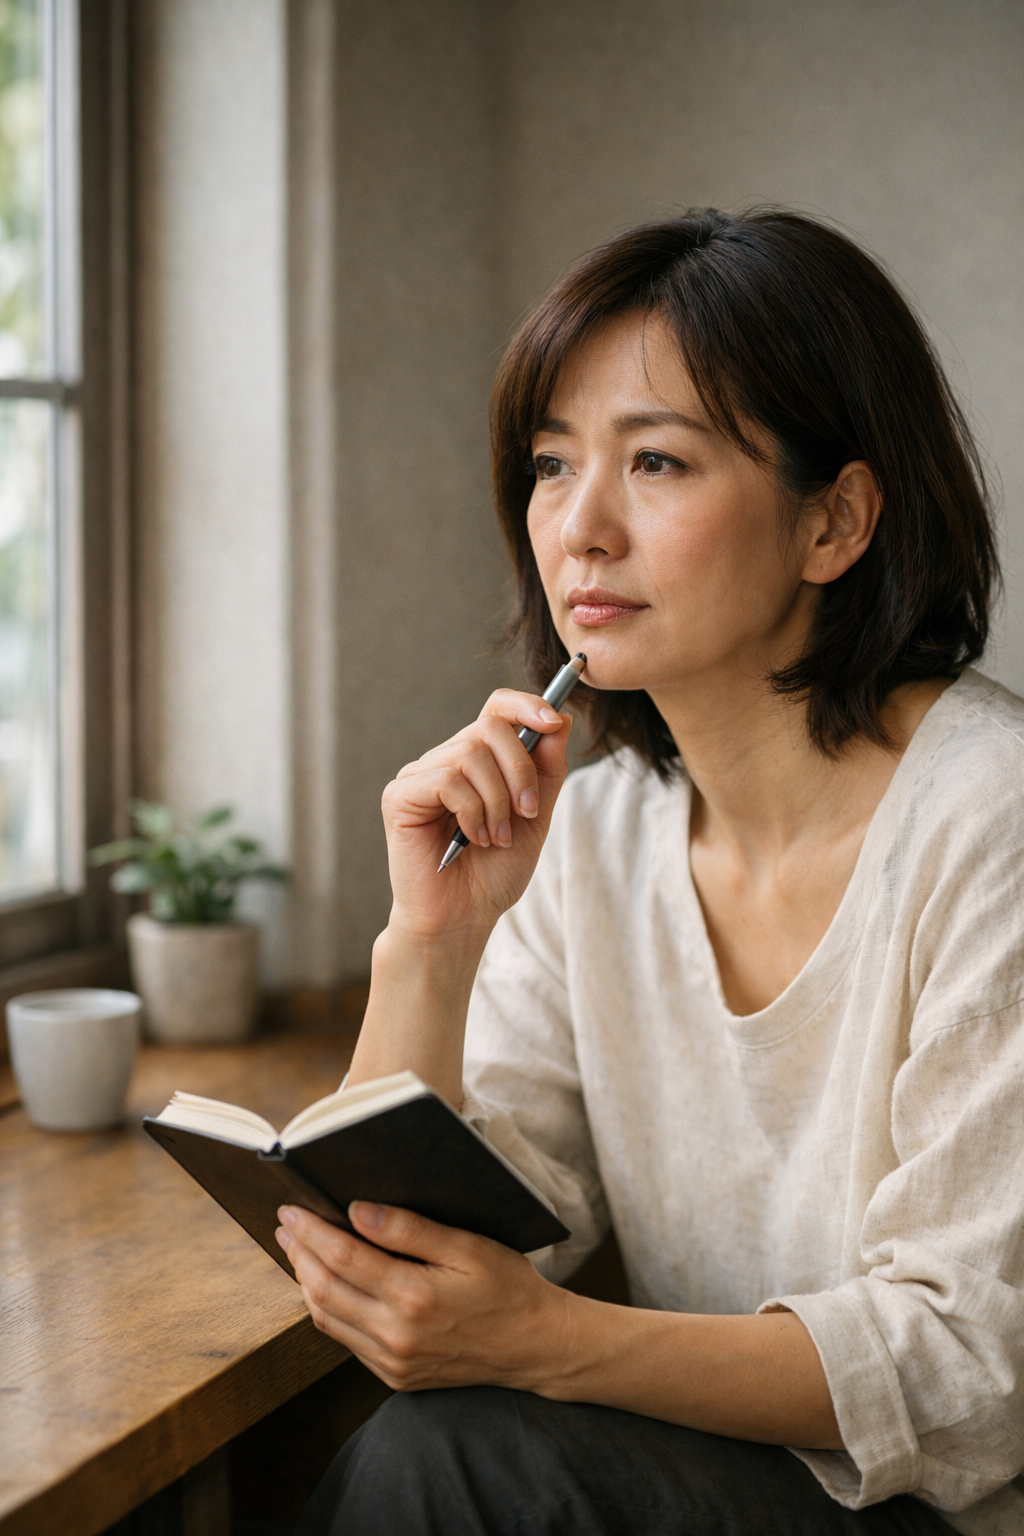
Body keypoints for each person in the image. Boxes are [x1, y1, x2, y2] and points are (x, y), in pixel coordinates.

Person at [277, 210, 1024, 1534]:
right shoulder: (596, 828)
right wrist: (429, 943)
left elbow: (974, 1366)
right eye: (552, 465)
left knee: (439, 1462)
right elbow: (432, 1238)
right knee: (426, 1440)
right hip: (719, 1477)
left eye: (659, 462)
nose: (581, 529)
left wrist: (547, 1342)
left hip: (948, 1512)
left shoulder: (993, 819)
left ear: (836, 520)